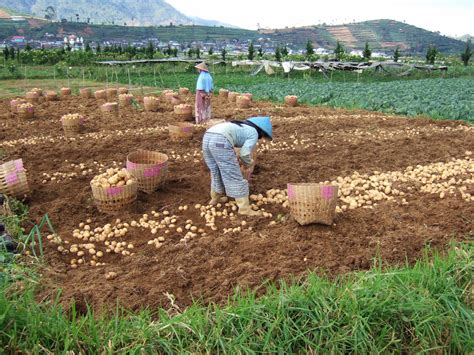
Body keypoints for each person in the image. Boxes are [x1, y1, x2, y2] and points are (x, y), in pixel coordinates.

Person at [202, 116, 273, 216]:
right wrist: (249, 163)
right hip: (220, 140)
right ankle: (244, 209)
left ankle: (215, 198)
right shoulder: (253, 132)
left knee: (216, 170)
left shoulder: (240, 126)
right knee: (233, 174)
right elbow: (244, 153)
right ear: (261, 132)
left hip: (207, 136)